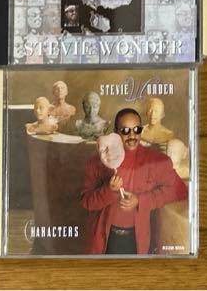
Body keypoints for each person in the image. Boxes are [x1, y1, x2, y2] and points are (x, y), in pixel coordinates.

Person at [79, 107, 188, 255]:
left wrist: (141, 201)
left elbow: (179, 190)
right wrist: (109, 190)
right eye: (125, 131)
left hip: (137, 241)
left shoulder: (155, 161)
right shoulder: (98, 162)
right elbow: (86, 202)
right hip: (103, 241)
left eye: (137, 130)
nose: (132, 135)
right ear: (116, 133)